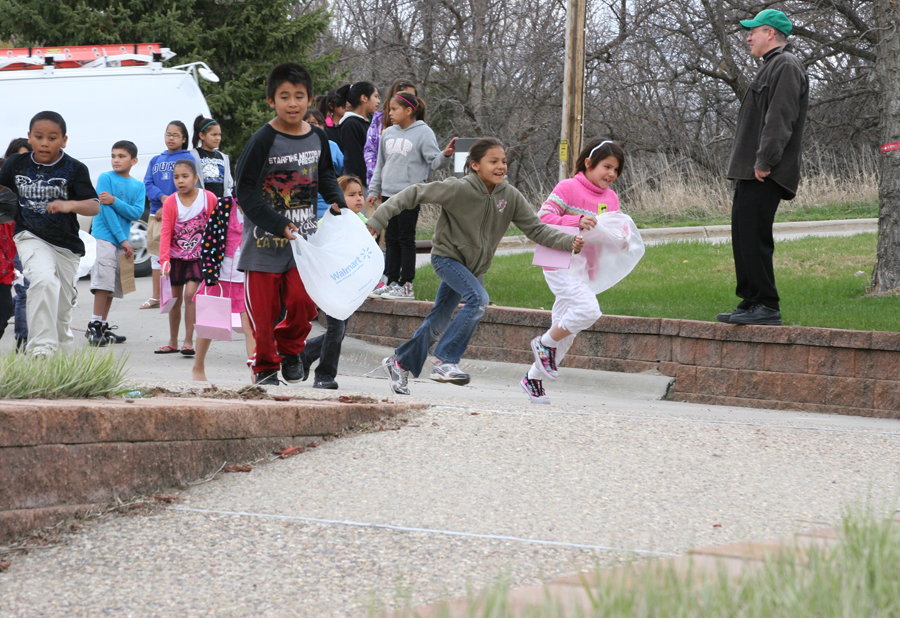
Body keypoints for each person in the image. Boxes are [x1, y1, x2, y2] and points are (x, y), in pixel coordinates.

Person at [367, 138, 584, 395]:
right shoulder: (458, 189)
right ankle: (445, 361)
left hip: (473, 269)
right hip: (447, 258)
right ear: (475, 165)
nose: (501, 166)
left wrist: (568, 241)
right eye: (493, 161)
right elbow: (414, 193)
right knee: (479, 300)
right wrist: (379, 219)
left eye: (503, 161)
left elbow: (536, 229)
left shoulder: (510, 196)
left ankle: (399, 363)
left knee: (439, 319)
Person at [235, 62, 347, 386]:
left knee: (303, 304)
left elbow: (324, 173)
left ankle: (289, 350)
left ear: (310, 98)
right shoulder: (262, 140)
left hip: (303, 244)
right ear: (271, 101)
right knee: (264, 314)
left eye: (299, 96)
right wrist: (278, 224)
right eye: (285, 96)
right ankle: (265, 367)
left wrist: (336, 198)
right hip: (263, 244)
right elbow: (244, 191)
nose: (293, 103)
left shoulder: (319, 138)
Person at [717, 9, 808, 326]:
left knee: (755, 237)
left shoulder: (785, 65)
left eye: (753, 31)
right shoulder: (771, 67)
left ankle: (767, 305)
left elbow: (780, 119)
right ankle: (751, 300)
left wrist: (764, 161)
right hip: (749, 170)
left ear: (770, 33)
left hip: (763, 170)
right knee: (742, 236)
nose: (748, 37)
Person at [521, 139, 625, 404]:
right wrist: (575, 220)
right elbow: (542, 218)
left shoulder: (611, 197)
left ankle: (533, 377)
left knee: (567, 330)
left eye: (616, 169)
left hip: (586, 269)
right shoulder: (568, 187)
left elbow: (613, 231)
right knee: (589, 311)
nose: (611, 174)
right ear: (588, 163)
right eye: (607, 166)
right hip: (559, 262)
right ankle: (543, 342)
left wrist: (622, 238)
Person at [0, 111, 100, 357]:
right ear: (30, 138)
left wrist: (70, 205)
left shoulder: (74, 168)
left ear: (63, 140)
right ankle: (40, 350)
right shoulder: (16, 163)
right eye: (39, 136)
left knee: (62, 309)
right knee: (43, 281)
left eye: (52, 137)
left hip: (66, 245)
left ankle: (61, 357)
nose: (45, 142)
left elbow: (94, 205)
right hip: (30, 236)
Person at [367, 92, 455, 300]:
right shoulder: (388, 134)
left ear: (408, 111)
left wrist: (446, 155)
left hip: (409, 194)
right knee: (390, 238)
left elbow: (434, 161)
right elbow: (380, 164)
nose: (390, 113)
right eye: (389, 109)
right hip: (388, 194)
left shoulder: (423, 132)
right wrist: (373, 190)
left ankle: (406, 284)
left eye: (394, 109)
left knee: (405, 238)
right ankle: (390, 281)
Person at [298, 174, 367, 389]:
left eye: (361, 194)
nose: (359, 199)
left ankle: (307, 353)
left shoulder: (364, 223)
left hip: (350, 286)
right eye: (352, 194)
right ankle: (324, 375)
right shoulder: (326, 222)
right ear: (337, 198)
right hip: (331, 285)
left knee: (339, 331)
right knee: (337, 329)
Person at [86, 140, 145, 346]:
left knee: (112, 284)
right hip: (105, 236)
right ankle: (93, 325)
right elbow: (106, 211)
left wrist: (115, 201)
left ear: (133, 160)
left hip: (122, 241)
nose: (116, 160)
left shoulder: (139, 186)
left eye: (121, 156)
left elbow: (137, 212)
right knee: (102, 281)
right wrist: (122, 239)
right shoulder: (105, 178)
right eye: (113, 156)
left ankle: (102, 325)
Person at [156, 159, 218, 356]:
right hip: (175, 257)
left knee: (191, 295)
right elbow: (165, 233)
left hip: (199, 256)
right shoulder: (171, 202)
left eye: (185, 176)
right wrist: (164, 260)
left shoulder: (208, 198)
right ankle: (172, 341)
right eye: (176, 177)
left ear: (196, 178)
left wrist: (216, 256)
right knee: (174, 299)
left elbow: (216, 230)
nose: (180, 181)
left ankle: (188, 341)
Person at [192, 196, 255, 381]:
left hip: (248, 276)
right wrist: (209, 273)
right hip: (220, 275)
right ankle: (198, 367)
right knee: (209, 324)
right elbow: (209, 238)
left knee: (250, 326)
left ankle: (255, 372)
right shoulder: (226, 204)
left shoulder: (260, 204)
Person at [142, 121, 191, 310]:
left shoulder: (188, 158)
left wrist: (170, 204)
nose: (171, 138)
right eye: (168, 134)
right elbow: (147, 184)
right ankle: (158, 296)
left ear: (184, 139)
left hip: (180, 213)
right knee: (157, 255)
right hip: (157, 213)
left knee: (182, 253)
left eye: (175, 135)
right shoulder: (156, 160)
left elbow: (188, 185)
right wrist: (162, 198)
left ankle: (180, 295)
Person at [364, 78, 418, 187]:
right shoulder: (379, 120)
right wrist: (376, 184)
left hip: (409, 188)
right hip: (383, 187)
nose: (410, 100)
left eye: (414, 97)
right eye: (406, 96)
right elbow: (370, 150)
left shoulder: (417, 126)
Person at [4, 138, 32, 351]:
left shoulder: (34, 182)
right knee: (23, 292)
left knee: (25, 293)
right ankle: (23, 339)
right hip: (9, 244)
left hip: (29, 240)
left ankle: (23, 338)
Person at [304, 109, 344, 218]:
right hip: (303, 208)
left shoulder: (332, 146)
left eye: (320, 123)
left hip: (329, 206)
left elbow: (341, 172)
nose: (317, 126)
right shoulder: (296, 147)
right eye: (312, 123)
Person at [338, 82, 379, 187]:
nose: (378, 101)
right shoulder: (350, 124)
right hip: (361, 185)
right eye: (375, 96)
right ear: (364, 98)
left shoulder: (368, 123)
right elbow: (356, 160)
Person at [189, 115, 233, 200]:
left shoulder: (223, 157)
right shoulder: (193, 155)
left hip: (221, 204)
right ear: (202, 135)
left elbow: (228, 184)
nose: (218, 138)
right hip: (201, 203)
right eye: (214, 135)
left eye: (219, 135)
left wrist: (229, 200)